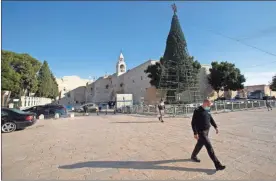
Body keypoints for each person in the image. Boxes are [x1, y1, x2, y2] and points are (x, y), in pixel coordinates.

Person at [191, 99, 226, 171]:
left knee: (199, 144)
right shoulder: (197, 111)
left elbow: (210, 118)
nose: (210, 106)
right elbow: (193, 123)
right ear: (205, 103)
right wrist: (195, 133)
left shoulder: (207, 109)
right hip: (201, 132)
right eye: (209, 105)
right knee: (209, 147)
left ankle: (193, 156)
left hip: (207, 131)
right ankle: (218, 165)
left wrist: (215, 127)